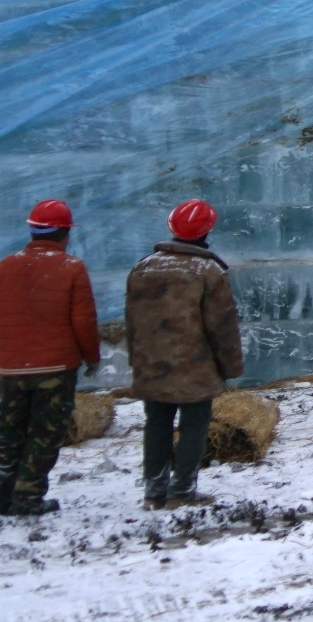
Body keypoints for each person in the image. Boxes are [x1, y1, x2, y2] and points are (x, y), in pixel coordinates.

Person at [0, 199, 100, 516]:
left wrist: (2, 358)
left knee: (8, 434)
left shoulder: (3, 267)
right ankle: (27, 497)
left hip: (10, 369)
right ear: (65, 233)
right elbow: (83, 321)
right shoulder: (71, 268)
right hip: (56, 368)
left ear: (32, 231)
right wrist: (92, 357)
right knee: (44, 435)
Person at [126, 199, 243, 509]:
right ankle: (182, 490)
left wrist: (137, 361)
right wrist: (230, 366)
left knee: (156, 423)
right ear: (207, 231)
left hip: (152, 364)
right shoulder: (209, 270)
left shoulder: (144, 267)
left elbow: (132, 321)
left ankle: (154, 491)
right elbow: (222, 325)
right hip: (196, 365)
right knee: (194, 424)